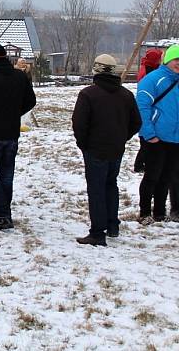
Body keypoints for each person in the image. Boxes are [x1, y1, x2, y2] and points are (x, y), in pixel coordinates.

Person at [72, 54, 141, 245]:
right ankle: (112, 225)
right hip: (116, 149)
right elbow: (136, 122)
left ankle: (97, 232)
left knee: (96, 189)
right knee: (111, 185)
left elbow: (79, 124)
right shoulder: (126, 95)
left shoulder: (88, 94)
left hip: (94, 149)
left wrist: (83, 144)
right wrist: (121, 138)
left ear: (96, 69)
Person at [0, 44, 37, 230]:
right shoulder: (20, 76)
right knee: (7, 174)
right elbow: (31, 100)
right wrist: (15, 114)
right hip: (12, 132)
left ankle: (3, 213)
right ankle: (2, 214)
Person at [135, 44, 179, 224]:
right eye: (177, 60)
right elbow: (142, 107)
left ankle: (160, 212)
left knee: (166, 177)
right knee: (152, 176)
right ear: (168, 60)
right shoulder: (153, 79)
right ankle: (145, 212)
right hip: (156, 138)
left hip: (175, 139)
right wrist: (149, 133)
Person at [133, 48, 162, 173]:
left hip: (151, 107)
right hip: (148, 107)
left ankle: (141, 163)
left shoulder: (148, 67)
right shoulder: (148, 72)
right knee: (145, 142)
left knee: (146, 143)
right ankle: (139, 165)